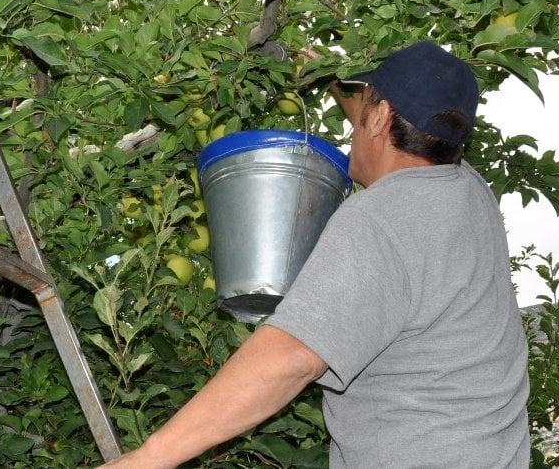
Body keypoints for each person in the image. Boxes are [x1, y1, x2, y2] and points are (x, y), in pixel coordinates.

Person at [101, 41, 530, 468]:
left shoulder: (379, 218)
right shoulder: (469, 193)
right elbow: (408, 136)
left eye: (366, 110)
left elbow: (292, 357)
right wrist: (335, 82)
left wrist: (148, 459)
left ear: (380, 118)